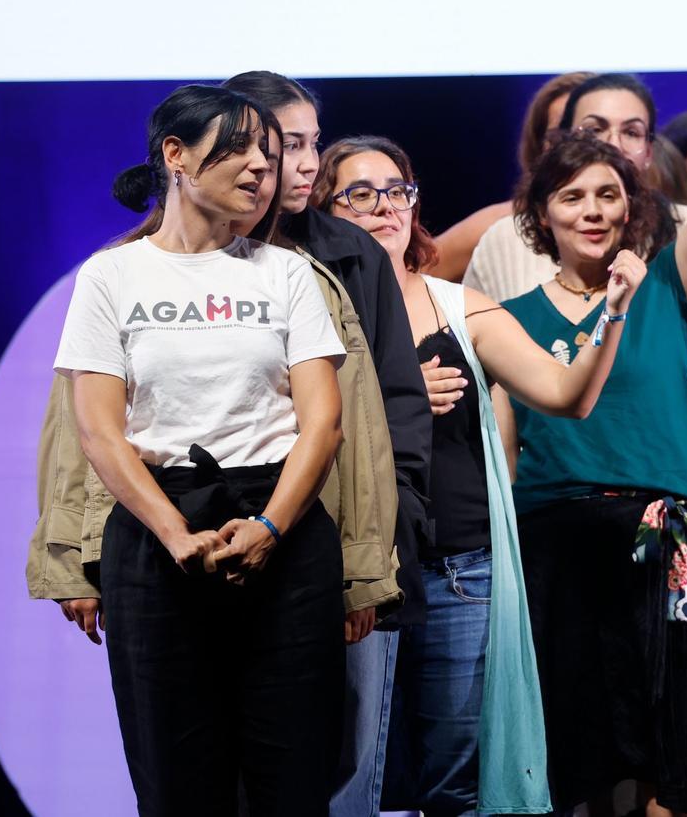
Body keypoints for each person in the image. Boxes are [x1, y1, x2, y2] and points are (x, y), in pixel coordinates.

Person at [497, 0, 687, 817]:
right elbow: (507, 446)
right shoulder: (511, 319)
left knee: (678, 769)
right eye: (573, 197)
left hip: (671, 543)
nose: (594, 211)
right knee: (575, 773)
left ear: (634, 208)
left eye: (610, 196)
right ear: (541, 216)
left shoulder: (663, 281)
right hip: (559, 549)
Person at [312, 133, 646, 815]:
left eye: (397, 191)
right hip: (349, 572)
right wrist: (387, 399)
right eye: (360, 193)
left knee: (457, 785)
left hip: (457, 570)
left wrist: (611, 315)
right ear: (325, 209)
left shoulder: (455, 306)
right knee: (346, 783)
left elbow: (566, 394)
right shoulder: (306, 308)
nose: (384, 207)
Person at [49, 85, 349, 815]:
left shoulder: (286, 272)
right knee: (176, 771)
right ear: (175, 156)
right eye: (240, 148)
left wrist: (273, 527)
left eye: (269, 156)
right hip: (159, 529)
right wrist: (172, 532)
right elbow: (97, 429)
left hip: (282, 523)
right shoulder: (111, 275)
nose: (259, 168)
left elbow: (324, 423)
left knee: (294, 774)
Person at [220, 71, 432, 817]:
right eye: (292, 145)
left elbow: (397, 405)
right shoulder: (172, 259)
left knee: (343, 774)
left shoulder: (352, 255)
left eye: (314, 144)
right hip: (222, 539)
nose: (309, 165)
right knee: (226, 765)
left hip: (345, 544)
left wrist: (394, 516)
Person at [433, 71, 595, 281]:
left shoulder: (649, 233)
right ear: (539, 148)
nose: (575, 150)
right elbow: (409, 277)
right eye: (560, 137)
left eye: (590, 133)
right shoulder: (499, 225)